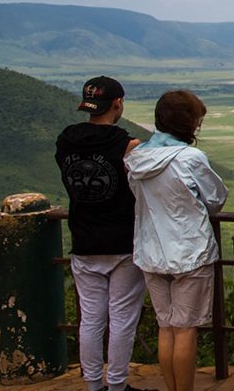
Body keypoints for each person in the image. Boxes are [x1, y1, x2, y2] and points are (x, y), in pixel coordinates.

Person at [125, 90, 227, 391]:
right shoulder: (190, 158)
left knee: (166, 328)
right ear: (188, 123)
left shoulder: (136, 158)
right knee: (185, 331)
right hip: (189, 252)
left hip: (151, 252)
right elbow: (215, 199)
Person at [55, 76, 151, 391]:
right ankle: (118, 385)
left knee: (91, 319)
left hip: (83, 238)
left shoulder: (66, 141)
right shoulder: (127, 145)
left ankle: (93, 385)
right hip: (123, 241)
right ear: (118, 103)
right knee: (122, 318)